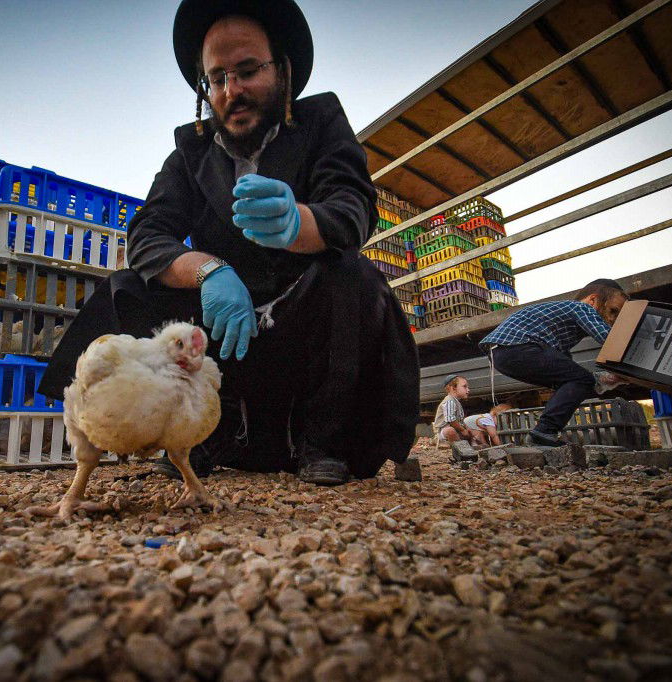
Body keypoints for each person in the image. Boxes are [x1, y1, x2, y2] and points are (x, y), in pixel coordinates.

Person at [37, 0, 420, 486]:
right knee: (127, 288)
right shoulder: (190, 156)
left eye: (247, 71)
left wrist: (298, 223)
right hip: (216, 342)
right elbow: (148, 235)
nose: (231, 91)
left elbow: (353, 207)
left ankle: (323, 441)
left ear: (280, 70)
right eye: (217, 78)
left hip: (303, 330)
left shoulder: (321, 123)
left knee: (352, 273)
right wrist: (209, 271)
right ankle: (197, 438)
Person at [479, 279, 629, 447]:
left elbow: (566, 367)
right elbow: (609, 339)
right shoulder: (581, 307)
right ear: (593, 300)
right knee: (580, 379)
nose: (613, 319)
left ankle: (544, 434)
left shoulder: (561, 322)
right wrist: (635, 362)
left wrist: (602, 379)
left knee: (574, 380)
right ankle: (543, 433)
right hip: (518, 346)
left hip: (503, 353)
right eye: (613, 311)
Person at [432, 375, 479, 445]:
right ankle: (461, 448)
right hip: (443, 433)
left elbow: (460, 420)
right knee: (450, 431)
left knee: (470, 428)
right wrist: (463, 430)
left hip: (457, 431)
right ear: (453, 388)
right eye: (464, 386)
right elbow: (450, 419)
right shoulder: (449, 401)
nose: (468, 390)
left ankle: (474, 445)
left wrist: (466, 428)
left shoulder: (456, 402)